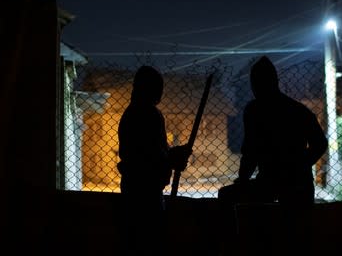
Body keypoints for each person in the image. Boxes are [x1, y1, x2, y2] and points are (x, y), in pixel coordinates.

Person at [218, 55, 328, 255]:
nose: (254, 87)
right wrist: (300, 166)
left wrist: (243, 179)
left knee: (227, 198)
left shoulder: (254, 110)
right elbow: (320, 144)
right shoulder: (298, 110)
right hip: (297, 183)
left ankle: (232, 248)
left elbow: (250, 151)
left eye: (256, 82)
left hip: (271, 182)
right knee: (295, 238)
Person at [116, 65, 192, 256]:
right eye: (157, 87)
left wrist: (174, 154)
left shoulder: (131, 113)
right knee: (151, 242)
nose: (160, 93)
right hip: (146, 192)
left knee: (134, 242)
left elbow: (156, 152)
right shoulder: (150, 114)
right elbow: (152, 158)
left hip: (132, 189)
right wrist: (173, 159)